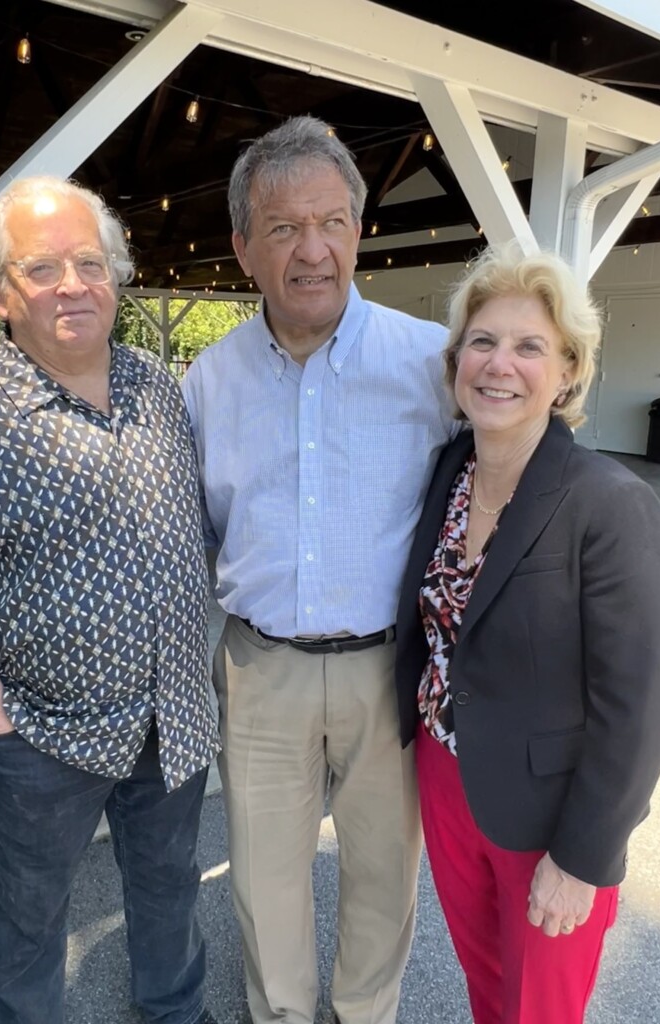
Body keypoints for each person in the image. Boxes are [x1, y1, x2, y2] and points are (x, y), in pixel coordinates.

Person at [0, 176, 220, 1024]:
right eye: (43, 268)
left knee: (169, 888)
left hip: (171, 718)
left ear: (115, 277)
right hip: (42, 741)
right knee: (26, 927)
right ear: (1, 293)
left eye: (89, 262)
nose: (72, 283)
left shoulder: (158, 389)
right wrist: (2, 727)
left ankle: (175, 1013)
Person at [181, 116, 457, 1024]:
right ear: (242, 247)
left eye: (332, 222)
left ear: (358, 230)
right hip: (260, 670)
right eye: (284, 227)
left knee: (385, 871)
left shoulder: (430, 365)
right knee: (264, 878)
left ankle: (365, 1011)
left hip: (391, 667)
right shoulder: (206, 384)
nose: (313, 250)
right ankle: (284, 1014)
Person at [394, 243, 660, 1024]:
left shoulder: (607, 502)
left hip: (551, 813)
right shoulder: (450, 472)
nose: (499, 364)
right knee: (487, 990)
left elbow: (637, 704)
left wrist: (583, 858)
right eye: (482, 341)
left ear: (569, 372)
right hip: (447, 780)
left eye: (528, 346)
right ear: (456, 363)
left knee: (541, 1009)